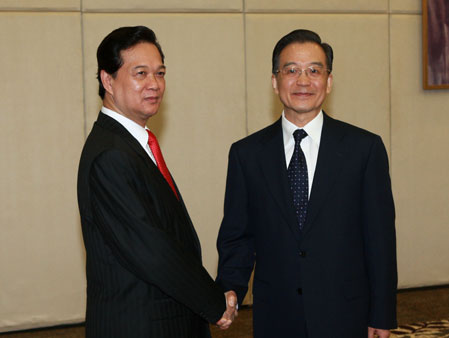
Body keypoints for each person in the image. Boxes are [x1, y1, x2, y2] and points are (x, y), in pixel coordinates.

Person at [216, 29, 397, 338]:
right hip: (276, 314)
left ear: (328, 81)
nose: (303, 81)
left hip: (346, 314)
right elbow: (238, 234)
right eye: (291, 71)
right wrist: (230, 288)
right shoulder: (247, 154)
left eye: (314, 70)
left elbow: (379, 239)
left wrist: (381, 313)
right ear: (275, 81)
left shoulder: (363, 149)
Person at [77, 26, 236, 338]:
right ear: (108, 80)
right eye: (140, 73)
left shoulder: (133, 144)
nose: (154, 84)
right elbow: (153, 250)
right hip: (140, 325)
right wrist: (214, 303)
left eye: (160, 73)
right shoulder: (111, 155)